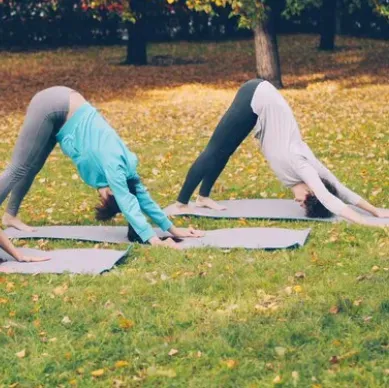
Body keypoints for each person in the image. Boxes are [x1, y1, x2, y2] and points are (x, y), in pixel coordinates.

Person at [0, 86, 203, 250]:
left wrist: (173, 230)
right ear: (111, 192)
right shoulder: (114, 167)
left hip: (64, 115)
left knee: (31, 167)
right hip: (54, 104)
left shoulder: (128, 167)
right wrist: (153, 239)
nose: (100, 197)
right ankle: (10, 214)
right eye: (104, 200)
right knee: (18, 167)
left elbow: (142, 198)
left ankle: (10, 216)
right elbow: (126, 200)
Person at [175, 79, 389, 226]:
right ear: (311, 191)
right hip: (256, 94)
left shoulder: (306, 170)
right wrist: (368, 222)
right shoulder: (301, 164)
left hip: (262, 105)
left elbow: (340, 190)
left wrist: (376, 211)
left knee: (224, 151)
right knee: (214, 150)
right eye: (305, 201)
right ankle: (181, 203)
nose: (298, 203)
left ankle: (203, 197)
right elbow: (329, 198)